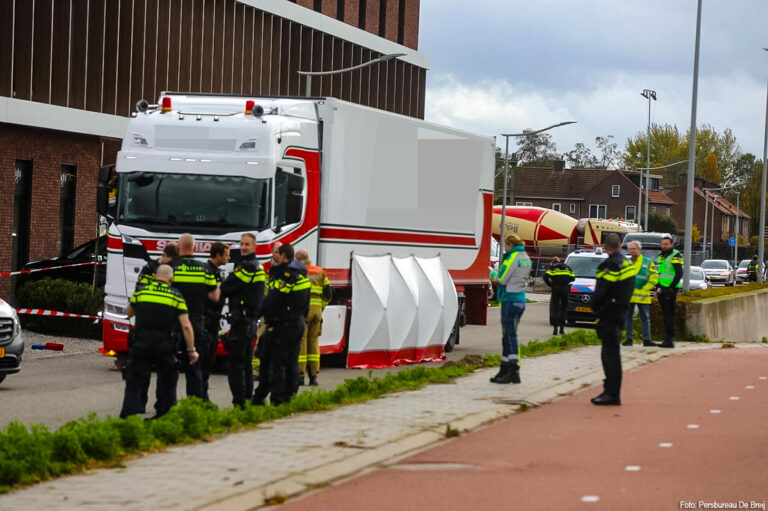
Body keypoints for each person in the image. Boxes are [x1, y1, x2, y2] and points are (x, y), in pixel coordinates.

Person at [120, 264, 198, 418]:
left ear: (155, 277)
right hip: (164, 346)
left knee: (134, 383)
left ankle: (127, 421)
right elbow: (186, 325)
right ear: (171, 279)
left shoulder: (142, 292)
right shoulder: (175, 295)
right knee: (167, 384)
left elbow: (128, 313)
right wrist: (191, 350)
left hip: (141, 344)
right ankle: (165, 418)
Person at [252, 244, 310, 405]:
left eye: (277, 253)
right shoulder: (301, 274)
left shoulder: (286, 276)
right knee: (291, 362)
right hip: (296, 322)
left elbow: (273, 298)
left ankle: (277, 399)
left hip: (284, 324)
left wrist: (257, 313)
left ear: (284, 256)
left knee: (277, 362)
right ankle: (290, 397)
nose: (274, 256)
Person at [171, 234, 220, 398]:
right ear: (194, 248)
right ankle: (195, 403)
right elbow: (215, 297)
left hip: (174, 323)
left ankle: (167, 406)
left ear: (179, 247)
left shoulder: (172, 267)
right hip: (197, 323)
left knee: (169, 368)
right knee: (195, 367)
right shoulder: (204, 269)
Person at [220, 233, 266, 408]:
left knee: (236, 363)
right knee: (246, 362)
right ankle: (247, 397)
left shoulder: (247, 267)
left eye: (247, 244)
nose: (244, 247)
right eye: (242, 244)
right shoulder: (257, 266)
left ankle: (239, 402)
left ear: (254, 247)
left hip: (242, 321)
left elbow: (226, 288)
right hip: (250, 320)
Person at [590, 233, 635, 406]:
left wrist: (595, 308)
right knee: (612, 353)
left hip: (609, 313)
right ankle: (610, 390)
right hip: (621, 312)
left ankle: (612, 393)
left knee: (609, 355)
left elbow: (602, 290)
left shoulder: (611, 265)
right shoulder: (627, 263)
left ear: (605, 247)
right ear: (619, 245)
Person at [489, 233, 531, 384]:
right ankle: (505, 368)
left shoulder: (512, 258)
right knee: (507, 336)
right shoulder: (525, 257)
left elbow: (501, 279)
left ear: (510, 245)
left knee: (510, 336)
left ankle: (513, 371)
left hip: (510, 300)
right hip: (520, 299)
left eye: (506, 245)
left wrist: (491, 272)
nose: (505, 248)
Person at [295, 249, 332, 387]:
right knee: (314, 342)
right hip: (317, 311)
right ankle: (314, 376)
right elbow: (328, 294)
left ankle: (300, 375)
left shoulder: (299, 271)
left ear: (298, 260)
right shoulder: (320, 271)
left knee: (302, 342)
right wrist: (321, 307)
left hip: (304, 310)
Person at [201, 241, 230, 400]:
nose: (228, 258)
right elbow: (215, 299)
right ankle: (202, 396)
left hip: (211, 319)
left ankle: (203, 394)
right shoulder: (209, 272)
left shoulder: (213, 270)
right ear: (218, 255)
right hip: (208, 320)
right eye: (226, 255)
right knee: (206, 360)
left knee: (208, 361)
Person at [623, 241, 660, 347]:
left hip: (642, 295)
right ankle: (629, 339)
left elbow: (654, 277)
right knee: (628, 317)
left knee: (645, 318)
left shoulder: (648, 262)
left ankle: (647, 340)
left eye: (634, 248)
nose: (632, 251)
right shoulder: (626, 262)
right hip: (630, 295)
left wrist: (646, 288)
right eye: (630, 249)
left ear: (639, 249)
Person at [655, 234, 683, 348]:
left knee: (669, 314)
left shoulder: (676, 255)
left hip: (670, 289)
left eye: (666, 244)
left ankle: (669, 340)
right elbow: (660, 274)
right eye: (663, 244)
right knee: (665, 314)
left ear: (671, 244)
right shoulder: (662, 256)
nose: (664, 246)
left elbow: (679, 273)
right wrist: (658, 288)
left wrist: (671, 287)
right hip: (662, 288)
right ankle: (667, 339)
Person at [543, 256, 574, 336]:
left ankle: (555, 330)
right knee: (563, 309)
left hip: (556, 289)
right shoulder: (568, 268)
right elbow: (573, 278)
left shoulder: (554, 268)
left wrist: (550, 284)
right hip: (565, 290)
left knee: (555, 309)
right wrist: (566, 282)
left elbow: (545, 276)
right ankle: (562, 329)